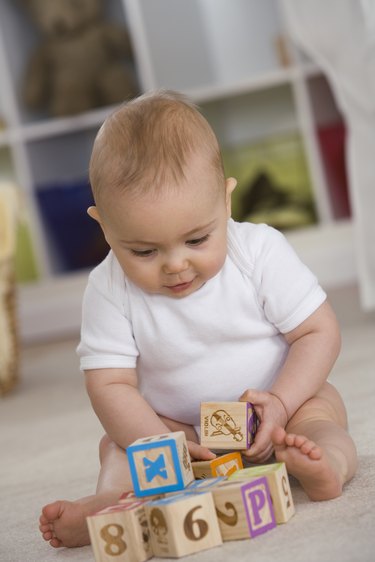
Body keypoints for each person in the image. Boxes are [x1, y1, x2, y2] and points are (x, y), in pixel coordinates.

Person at [39, 90, 357, 549]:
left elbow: (317, 331)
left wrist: (282, 403)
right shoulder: (108, 288)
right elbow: (110, 385)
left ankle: (327, 463)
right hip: (178, 426)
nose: (175, 265)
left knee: (322, 413)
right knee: (119, 445)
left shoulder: (259, 252)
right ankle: (111, 503)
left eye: (197, 239)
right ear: (104, 227)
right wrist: (157, 442)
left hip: (276, 408)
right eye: (144, 251)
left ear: (227, 203)